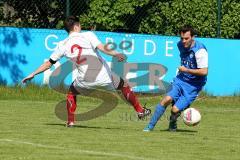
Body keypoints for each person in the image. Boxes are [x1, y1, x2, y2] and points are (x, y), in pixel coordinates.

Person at [22, 16, 151, 127]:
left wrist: (33, 73)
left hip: (84, 81)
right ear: (77, 26)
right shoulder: (87, 35)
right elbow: (102, 48)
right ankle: (140, 111)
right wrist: (116, 54)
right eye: (80, 24)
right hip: (104, 76)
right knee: (124, 85)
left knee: (71, 93)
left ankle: (71, 122)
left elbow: (48, 63)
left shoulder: (62, 44)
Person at [143, 25, 208, 132]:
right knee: (166, 100)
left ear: (193, 37)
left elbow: (204, 72)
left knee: (175, 109)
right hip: (181, 79)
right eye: (181, 38)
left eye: (186, 38)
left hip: (193, 85)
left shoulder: (200, 51)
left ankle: (172, 124)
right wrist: (183, 71)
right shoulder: (180, 45)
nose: (183, 41)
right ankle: (149, 127)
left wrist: (186, 70)